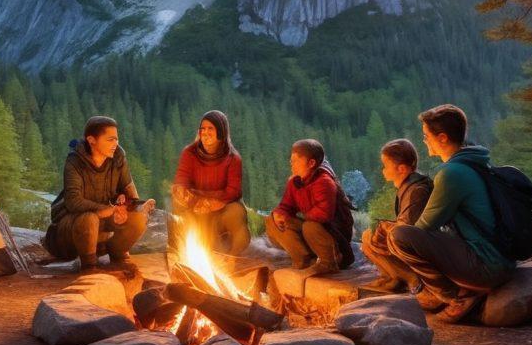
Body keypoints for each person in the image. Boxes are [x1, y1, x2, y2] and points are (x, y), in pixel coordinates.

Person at [386, 104, 515, 323]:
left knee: (399, 237)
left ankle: (453, 297)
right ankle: (454, 290)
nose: (424, 140)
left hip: (486, 265)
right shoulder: (474, 161)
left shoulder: (451, 174)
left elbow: (425, 226)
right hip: (499, 257)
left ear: (443, 138)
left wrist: (393, 232)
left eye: (427, 136)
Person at [44, 116, 155, 273]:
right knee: (89, 219)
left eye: (116, 139)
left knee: (138, 219)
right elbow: (73, 201)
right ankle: (89, 265)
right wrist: (106, 210)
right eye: (110, 140)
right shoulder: (75, 161)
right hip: (73, 225)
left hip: (105, 218)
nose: (115, 144)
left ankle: (117, 254)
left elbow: (128, 190)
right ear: (92, 140)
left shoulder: (118, 157)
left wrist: (125, 205)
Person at [264, 139, 355, 277]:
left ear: (311, 163)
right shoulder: (295, 181)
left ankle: (329, 262)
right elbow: (286, 205)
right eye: (291, 159)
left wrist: (301, 219)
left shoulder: (325, 182)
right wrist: (280, 213)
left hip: (334, 239)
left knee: (310, 226)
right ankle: (304, 259)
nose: (291, 163)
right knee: (273, 220)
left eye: (295, 160)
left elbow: (324, 214)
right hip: (312, 230)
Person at [170, 110, 250, 258]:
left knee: (236, 213)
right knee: (179, 205)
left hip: (221, 206)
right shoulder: (189, 153)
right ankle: (187, 251)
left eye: (210, 129)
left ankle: (233, 256)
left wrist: (212, 202)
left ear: (221, 132)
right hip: (196, 206)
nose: (205, 132)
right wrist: (191, 198)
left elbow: (234, 191)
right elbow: (181, 180)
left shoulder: (233, 158)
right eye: (202, 129)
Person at [361, 139, 434, 293]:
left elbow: (408, 228)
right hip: (408, 239)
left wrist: (385, 227)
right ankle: (392, 277)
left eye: (385, 165)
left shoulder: (417, 190)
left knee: (373, 237)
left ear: (401, 169)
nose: (383, 170)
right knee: (368, 236)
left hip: (418, 247)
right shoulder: (407, 186)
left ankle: (412, 279)